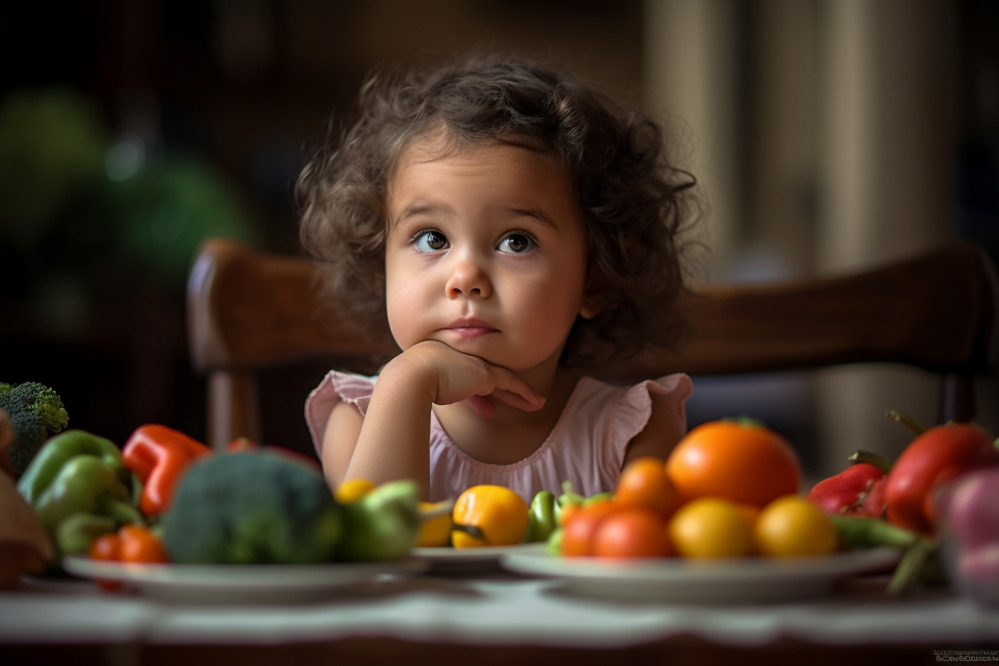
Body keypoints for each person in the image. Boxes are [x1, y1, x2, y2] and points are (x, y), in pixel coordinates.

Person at [296, 52, 700, 502]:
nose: (466, 278)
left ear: (596, 279)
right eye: (432, 238)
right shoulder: (360, 418)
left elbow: (639, 556)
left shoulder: (631, 433)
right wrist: (406, 383)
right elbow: (373, 556)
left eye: (517, 241)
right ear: (379, 268)